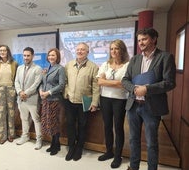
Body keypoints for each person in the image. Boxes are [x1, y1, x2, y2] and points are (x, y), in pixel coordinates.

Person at [122, 28, 176, 170]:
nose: (141, 43)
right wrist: (133, 88)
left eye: (144, 39)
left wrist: (147, 89)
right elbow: (125, 80)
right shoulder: (134, 59)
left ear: (153, 39)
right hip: (133, 105)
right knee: (133, 140)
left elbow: (170, 82)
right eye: (139, 40)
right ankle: (134, 167)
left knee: (152, 142)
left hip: (151, 107)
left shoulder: (165, 57)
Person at [64, 42, 100, 161]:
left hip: (84, 102)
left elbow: (95, 87)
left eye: (83, 50)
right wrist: (66, 93)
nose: (80, 51)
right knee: (70, 125)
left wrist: (94, 102)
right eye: (78, 49)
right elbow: (65, 82)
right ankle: (71, 147)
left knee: (82, 126)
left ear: (87, 52)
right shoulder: (69, 65)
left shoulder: (93, 67)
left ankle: (79, 148)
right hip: (70, 101)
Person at [96, 39, 129, 168]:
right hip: (105, 98)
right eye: (111, 49)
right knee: (107, 126)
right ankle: (109, 152)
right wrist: (116, 83)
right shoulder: (105, 64)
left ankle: (117, 156)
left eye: (116, 48)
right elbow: (100, 82)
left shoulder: (127, 65)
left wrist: (107, 81)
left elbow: (124, 84)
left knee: (118, 128)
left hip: (120, 100)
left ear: (122, 50)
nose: (113, 51)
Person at [14, 47, 42, 150]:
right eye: (24, 55)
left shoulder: (37, 68)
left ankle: (39, 139)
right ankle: (25, 136)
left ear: (33, 56)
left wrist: (26, 93)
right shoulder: (19, 68)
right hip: (21, 99)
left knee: (36, 120)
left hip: (32, 99)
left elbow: (36, 84)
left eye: (28, 55)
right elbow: (16, 81)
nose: (26, 57)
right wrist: (19, 92)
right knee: (24, 119)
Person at [39, 48, 65, 155]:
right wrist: (41, 90)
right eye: (49, 55)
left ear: (57, 57)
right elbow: (42, 82)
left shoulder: (60, 69)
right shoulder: (47, 68)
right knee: (48, 122)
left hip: (54, 100)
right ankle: (54, 143)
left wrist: (48, 92)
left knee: (54, 123)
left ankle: (55, 144)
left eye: (53, 55)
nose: (51, 57)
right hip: (45, 100)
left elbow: (61, 85)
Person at [0, 45, 18, 145]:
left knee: (11, 113)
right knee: (1, 114)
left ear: (8, 52)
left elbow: (16, 78)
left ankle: (11, 135)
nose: (2, 52)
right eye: (0, 50)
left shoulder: (14, 63)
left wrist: (15, 89)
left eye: (4, 50)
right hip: (0, 90)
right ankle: (2, 136)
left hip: (11, 89)